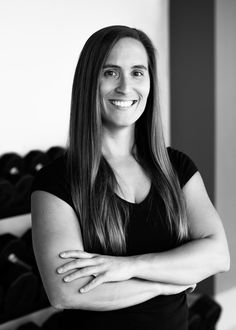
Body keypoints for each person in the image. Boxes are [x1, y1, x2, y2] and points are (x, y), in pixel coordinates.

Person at [31, 25, 230, 330]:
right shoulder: (56, 181)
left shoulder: (176, 167)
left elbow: (217, 256)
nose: (126, 87)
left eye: (138, 72)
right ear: (89, 82)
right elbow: (66, 292)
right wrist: (168, 282)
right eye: (110, 72)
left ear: (150, 82)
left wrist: (129, 267)